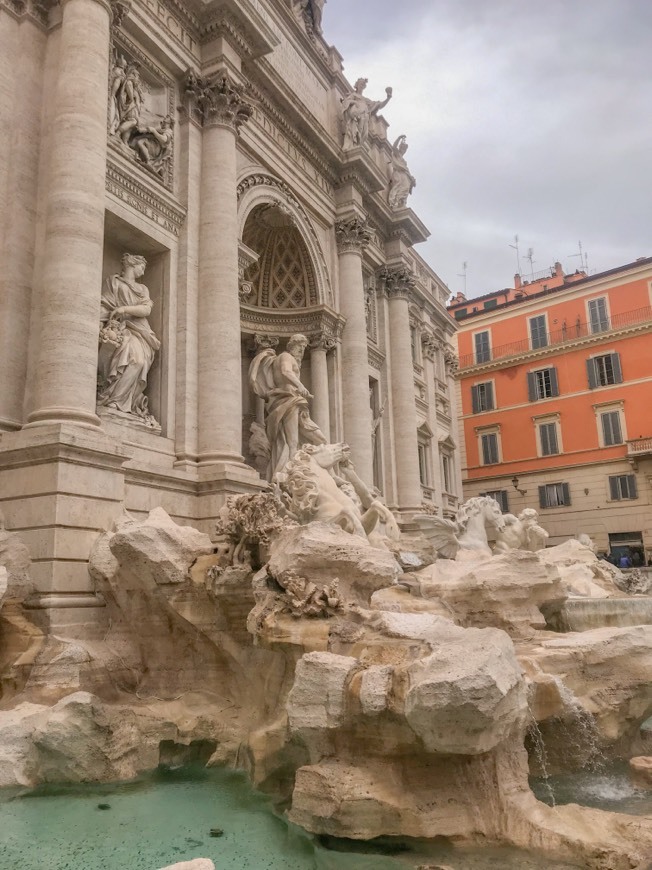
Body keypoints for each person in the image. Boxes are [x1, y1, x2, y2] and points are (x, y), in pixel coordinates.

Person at [249, 334, 326, 480]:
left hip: (291, 400)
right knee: (293, 441)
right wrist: (300, 385)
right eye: (299, 347)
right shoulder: (286, 356)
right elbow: (286, 371)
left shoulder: (286, 358)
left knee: (319, 439)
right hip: (287, 399)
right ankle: (294, 474)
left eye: (303, 348)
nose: (301, 351)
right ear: (292, 345)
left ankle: (313, 471)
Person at [97, 254, 161, 425]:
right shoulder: (113, 282)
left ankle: (122, 402)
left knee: (139, 362)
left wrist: (124, 308)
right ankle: (114, 400)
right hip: (120, 328)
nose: (143, 271)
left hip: (140, 330)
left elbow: (146, 310)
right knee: (131, 360)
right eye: (142, 267)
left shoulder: (142, 289)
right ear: (133, 264)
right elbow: (105, 303)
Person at [341, 78, 392, 150]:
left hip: (365, 116)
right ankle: (352, 144)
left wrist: (388, 98)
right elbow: (346, 101)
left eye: (363, 85)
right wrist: (355, 102)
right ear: (357, 85)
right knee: (355, 129)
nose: (362, 86)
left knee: (364, 134)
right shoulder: (354, 95)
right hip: (357, 115)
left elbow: (379, 105)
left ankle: (357, 144)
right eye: (360, 84)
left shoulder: (366, 100)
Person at [387, 135, 416, 209]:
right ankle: (395, 203)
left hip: (404, 175)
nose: (403, 150)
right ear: (400, 148)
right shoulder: (397, 154)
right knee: (400, 187)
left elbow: (406, 170)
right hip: (399, 174)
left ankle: (400, 203)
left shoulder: (402, 159)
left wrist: (411, 179)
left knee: (405, 188)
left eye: (404, 149)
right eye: (402, 148)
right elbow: (393, 147)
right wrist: (399, 138)